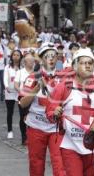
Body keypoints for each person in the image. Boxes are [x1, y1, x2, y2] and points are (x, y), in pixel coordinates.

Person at [46, 49, 94, 176]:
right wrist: (55, 112)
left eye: (90, 63)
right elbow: (50, 111)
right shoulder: (64, 87)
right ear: (75, 67)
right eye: (83, 63)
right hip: (71, 146)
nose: (88, 66)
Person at [19, 42, 65, 176]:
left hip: (56, 127)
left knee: (60, 165)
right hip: (36, 127)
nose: (51, 58)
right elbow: (22, 103)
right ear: (41, 58)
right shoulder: (32, 77)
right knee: (36, 165)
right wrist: (36, 89)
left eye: (53, 56)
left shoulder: (64, 78)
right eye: (47, 55)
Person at [14, 52, 35, 145]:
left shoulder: (36, 73)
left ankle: (31, 137)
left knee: (32, 117)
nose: (31, 62)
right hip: (22, 98)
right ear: (25, 62)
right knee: (23, 118)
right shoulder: (20, 72)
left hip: (33, 99)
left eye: (32, 61)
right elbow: (16, 84)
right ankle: (24, 137)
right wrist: (21, 92)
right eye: (29, 61)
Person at [4, 49, 22, 139]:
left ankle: (24, 131)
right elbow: (5, 77)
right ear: (11, 56)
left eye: (18, 55)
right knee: (9, 112)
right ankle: (10, 131)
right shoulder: (7, 67)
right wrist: (6, 86)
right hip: (10, 92)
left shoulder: (22, 67)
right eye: (14, 55)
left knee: (22, 113)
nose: (16, 56)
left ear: (20, 57)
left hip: (19, 93)